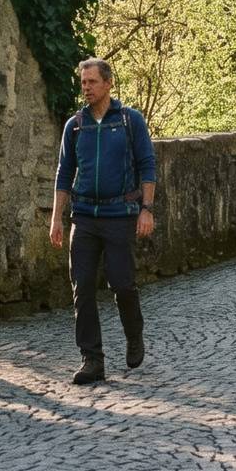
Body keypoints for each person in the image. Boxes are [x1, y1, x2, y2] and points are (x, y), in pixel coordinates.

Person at [49, 57, 157, 385]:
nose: (86, 87)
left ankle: (134, 335)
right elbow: (64, 172)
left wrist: (147, 209)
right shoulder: (75, 125)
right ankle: (92, 359)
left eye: (92, 82)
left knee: (122, 284)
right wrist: (56, 218)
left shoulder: (129, 120)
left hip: (119, 215)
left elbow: (147, 164)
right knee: (81, 288)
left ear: (108, 83)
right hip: (83, 217)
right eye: (83, 82)